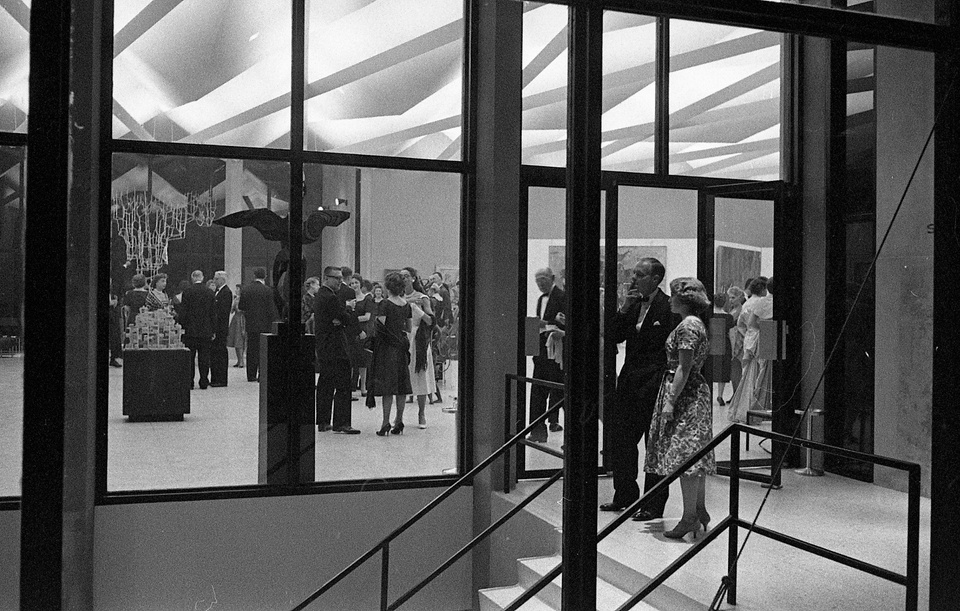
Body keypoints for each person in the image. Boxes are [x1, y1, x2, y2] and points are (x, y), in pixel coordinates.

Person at [600, 257, 679, 521]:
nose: (634, 278)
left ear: (656, 279)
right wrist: (624, 308)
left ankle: (653, 505)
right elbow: (613, 336)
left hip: (655, 384)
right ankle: (624, 496)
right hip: (629, 383)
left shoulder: (669, 307)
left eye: (640, 274)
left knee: (654, 445)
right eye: (634, 273)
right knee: (621, 440)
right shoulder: (633, 305)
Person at [644, 277, 715, 540]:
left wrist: (670, 401)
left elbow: (684, 367)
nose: (670, 300)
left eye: (674, 296)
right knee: (692, 454)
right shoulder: (694, 324)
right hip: (692, 391)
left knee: (685, 456)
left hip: (686, 394)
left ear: (683, 300)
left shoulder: (687, 326)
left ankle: (689, 517)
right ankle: (698, 510)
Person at [313, 266, 360, 434]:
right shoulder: (330, 297)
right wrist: (347, 309)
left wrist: (340, 317)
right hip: (336, 346)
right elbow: (344, 318)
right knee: (343, 384)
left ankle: (323, 421)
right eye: (337, 278)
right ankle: (342, 423)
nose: (341, 281)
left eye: (341, 278)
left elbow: (338, 319)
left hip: (324, 345)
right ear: (327, 278)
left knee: (325, 383)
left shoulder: (320, 295)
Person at [368, 272, 413, 435]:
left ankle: (385, 422)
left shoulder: (385, 304)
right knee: (401, 386)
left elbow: (380, 327)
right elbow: (408, 328)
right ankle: (399, 421)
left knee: (388, 387)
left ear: (388, 287)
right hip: (401, 347)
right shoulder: (406, 304)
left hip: (387, 349)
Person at [727, 277, 774, 423]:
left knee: (750, 375)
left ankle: (750, 408)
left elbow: (746, 324)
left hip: (750, 340)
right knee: (759, 376)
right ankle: (755, 409)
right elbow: (752, 322)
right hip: (762, 341)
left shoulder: (750, 303)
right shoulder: (763, 302)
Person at [527, 267, 566, 443]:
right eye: (537, 281)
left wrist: (548, 324)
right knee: (537, 391)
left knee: (559, 392)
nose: (540, 283)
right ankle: (537, 431)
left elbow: (565, 323)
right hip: (541, 352)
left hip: (556, 353)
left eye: (543, 279)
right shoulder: (539, 299)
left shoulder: (563, 297)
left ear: (552, 278)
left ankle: (564, 432)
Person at [400, 267, 437, 429]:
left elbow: (430, 321)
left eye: (407, 276)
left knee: (420, 374)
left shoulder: (422, 298)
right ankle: (398, 416)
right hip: (402, 337)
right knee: (401, 376)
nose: (404, 279)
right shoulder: (397, 297)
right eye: (401, 277)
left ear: (413, 279)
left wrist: (419, 311)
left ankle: (421, 413)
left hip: (418, 339)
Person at [179, 270, 217, 390]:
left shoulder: (187, 292)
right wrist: (213, 329)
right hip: (206, 329)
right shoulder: (209, 292)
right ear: (202, 277)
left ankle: (190, 382)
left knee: (190, 357)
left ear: (192, 278)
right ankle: (204, 381)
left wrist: (182, 326)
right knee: (204, 357)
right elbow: (213, 313)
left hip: (190, 330)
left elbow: (183, 313)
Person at [238, 268, 278, 382]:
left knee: (251, 349)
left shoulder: (246, 289)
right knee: (263, 350)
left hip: (251, 324)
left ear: (254, 275)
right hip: (265, 325)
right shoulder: (268, 290)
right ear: (265, 277)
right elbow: (271, 309)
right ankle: (262, 374)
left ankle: (251, 375)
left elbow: (241, 306)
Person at [705, 292, 735, 405]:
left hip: (711, 343)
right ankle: (720, 395)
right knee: (723, 371)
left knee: (709, 369)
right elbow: (731, 334)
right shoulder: (729, 317)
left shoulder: (709, 316)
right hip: (724, 343)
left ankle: (709, 395)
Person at [209, 271, 232, 387]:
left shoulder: (226, 292)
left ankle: (220, 379)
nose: (214, 281)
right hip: (218, 327)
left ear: (222, 280)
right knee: (215, 353)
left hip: (220, 328)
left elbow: (221, 312)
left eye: (216, 279)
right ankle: (215, 378)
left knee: (220, 353)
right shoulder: (218, 292)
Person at [725, 285, 747, 394]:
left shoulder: (742, 310)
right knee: (734, 371)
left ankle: (739, 395)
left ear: (740, 297)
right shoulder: (732, 309)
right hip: (733, 342)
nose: (730, 300)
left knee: (739, 370)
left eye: (733, 297)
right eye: (729, 297)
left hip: (740, 342)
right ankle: (735, 394)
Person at [227, 284, 246, 368]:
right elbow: (231, 310)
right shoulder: (235, 299)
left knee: (239, 339)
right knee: (235, 339)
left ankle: (241, 360)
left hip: (241, 319)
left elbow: (240, 309)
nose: (236, 290)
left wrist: (236, 304)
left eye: (237, 288)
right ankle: (238, 360)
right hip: (235, 319)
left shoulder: (242, 299)